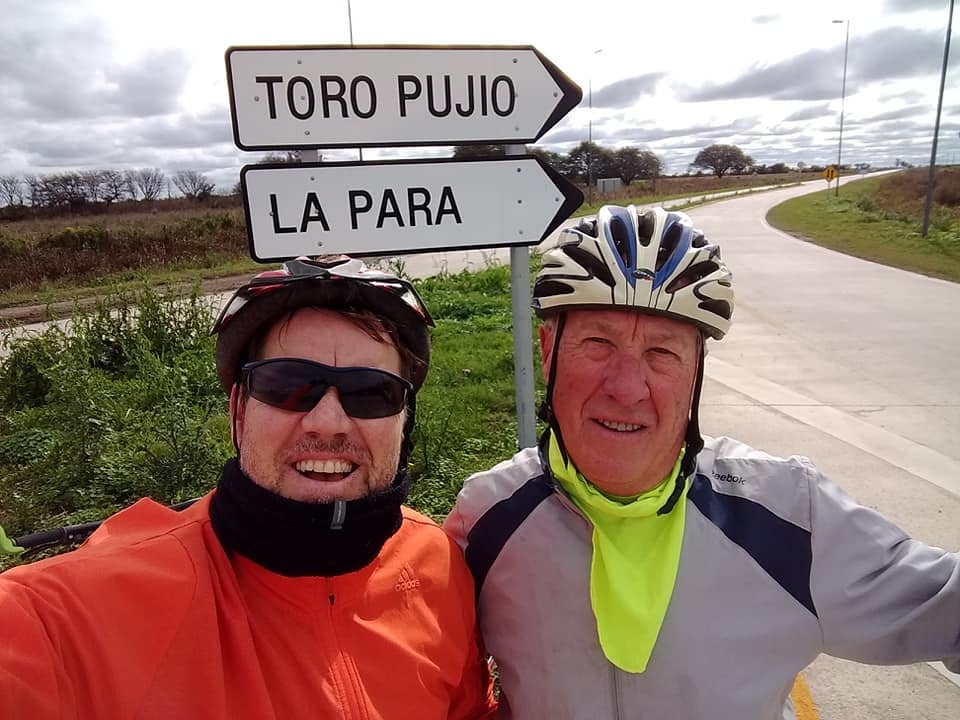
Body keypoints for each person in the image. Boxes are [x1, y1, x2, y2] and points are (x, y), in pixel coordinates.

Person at [444, 205, 959, 719]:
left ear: (695, 371)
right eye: (598, 343)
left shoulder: (786, 514)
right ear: (548, 349)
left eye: (662, 353)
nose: (626, 388)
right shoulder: (489, 515)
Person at [0, 256, 496, 719]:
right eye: (287, 385)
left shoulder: (439, 565)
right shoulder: (67, 616)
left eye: (371, 393)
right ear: (237, 409)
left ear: (404, 422)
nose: (328, 421)